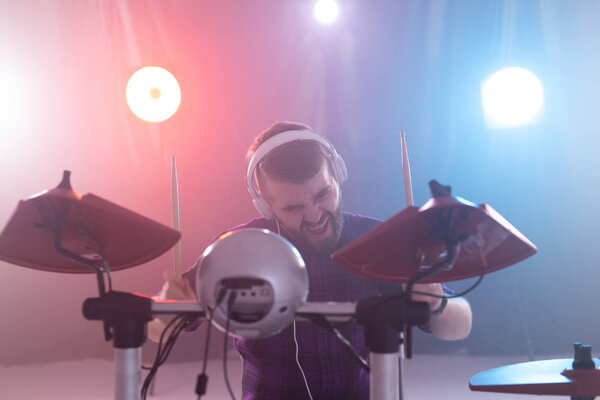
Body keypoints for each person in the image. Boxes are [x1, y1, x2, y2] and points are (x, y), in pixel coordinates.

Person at [149, 121, 472, 399]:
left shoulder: (383, 241)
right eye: (293, 208)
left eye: (323, 195)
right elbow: (156, 328)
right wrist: (165, 312)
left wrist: (435, 304)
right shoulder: (239, 250)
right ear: (266, 207)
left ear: (338, 176)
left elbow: (460, 326)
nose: (315, 216)